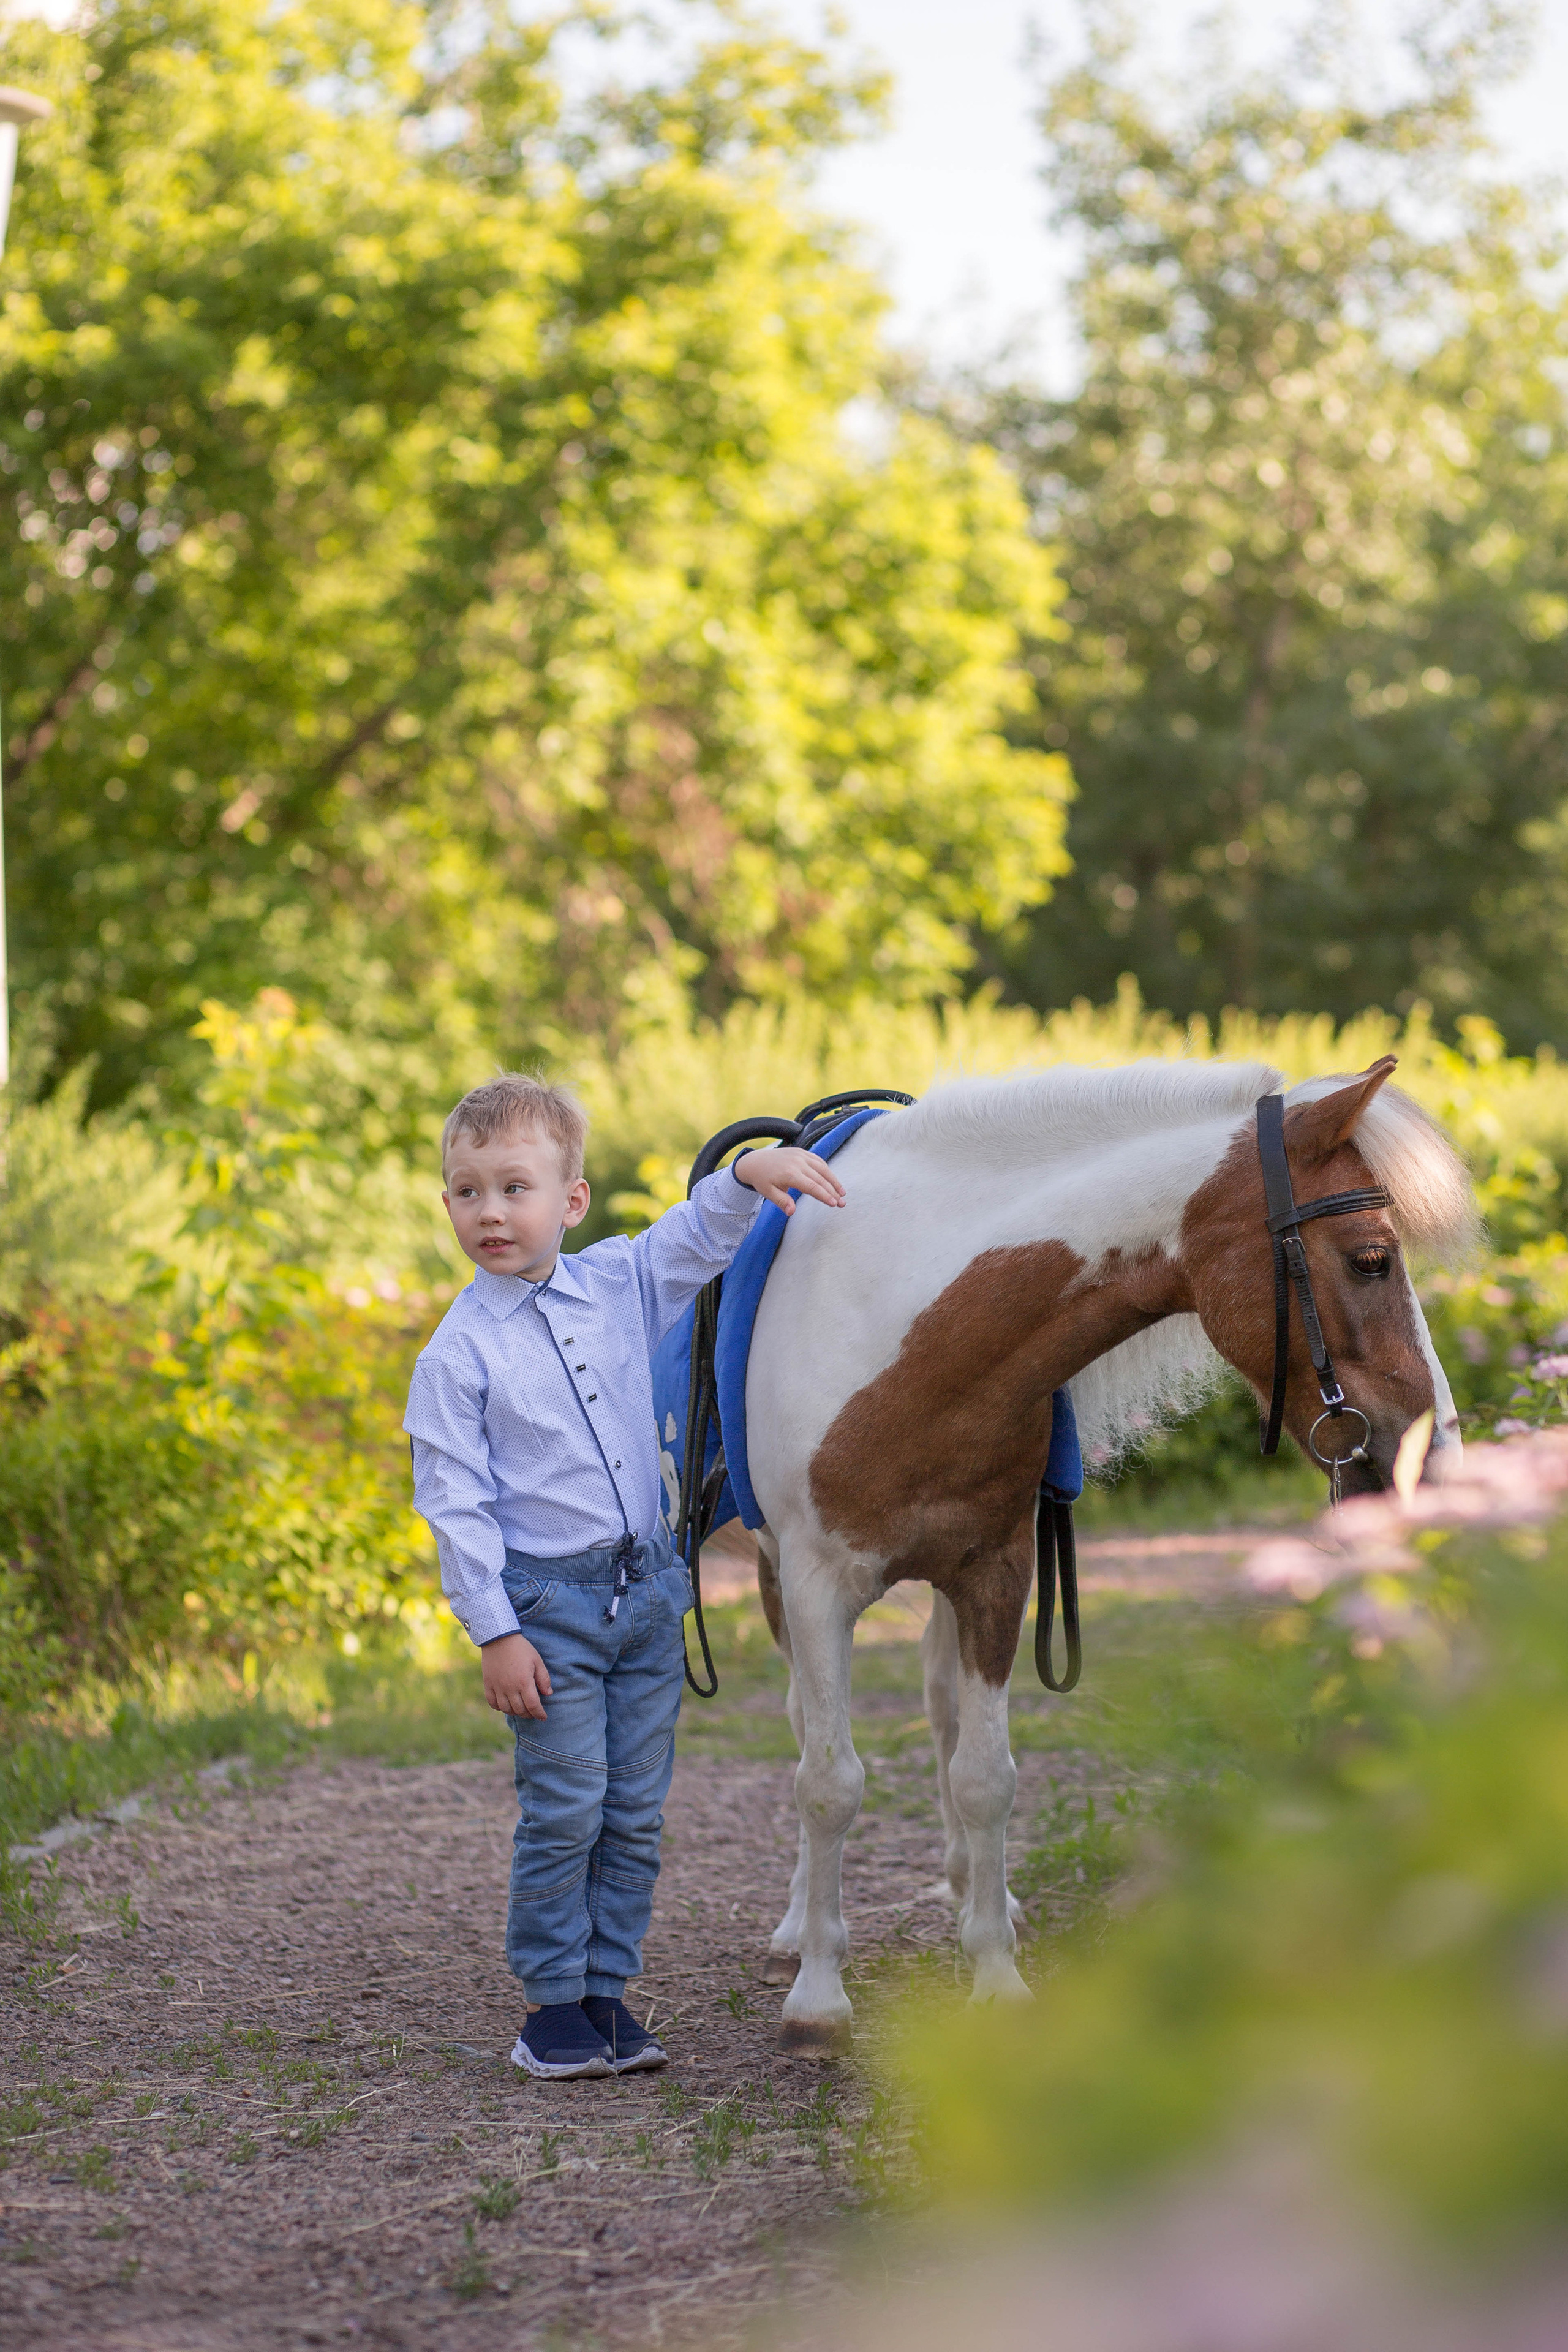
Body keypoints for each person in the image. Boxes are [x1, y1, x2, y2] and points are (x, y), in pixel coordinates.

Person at [404, 1074, 846, 2081]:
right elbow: (455, 1503)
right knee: (568, 1806)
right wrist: (494, 1629)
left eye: (515, 1189)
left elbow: (692, 1235)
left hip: (646, 1597)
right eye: (467, 1192)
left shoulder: (618, 1282)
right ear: (448, 1207)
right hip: (546, 1610)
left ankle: (610, 1995)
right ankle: (553, 2007)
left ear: (570, 1201)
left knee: (635, 1810)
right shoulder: (458, 1354)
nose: (490, 1213)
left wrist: (747, 1170)